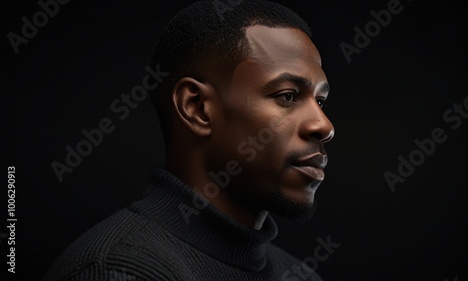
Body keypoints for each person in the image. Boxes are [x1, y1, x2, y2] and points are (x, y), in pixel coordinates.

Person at [42, 1, 334, 280]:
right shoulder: (115, 271)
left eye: (320, 101)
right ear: (197, 108)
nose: (324, 126)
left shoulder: (300, 274)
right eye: (287, 96)